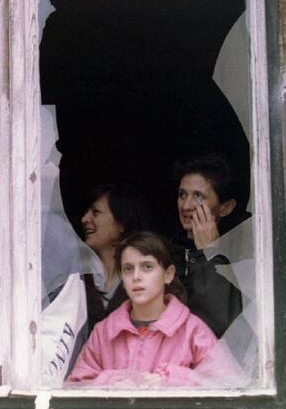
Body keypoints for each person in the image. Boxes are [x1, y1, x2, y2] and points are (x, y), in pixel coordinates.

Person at [67, 231, 243, 387]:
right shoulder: (103, 332)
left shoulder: (193, 331)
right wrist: (111, 382)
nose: (136, 277)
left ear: (168, 274)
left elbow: (228, 386)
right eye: (128, 269)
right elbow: (74, 389)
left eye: (147, 267)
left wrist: (173, 380)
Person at [171, 153, 242, 338]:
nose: (185, 206)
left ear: (226, 207)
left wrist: (209, 253)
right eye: (182, 195)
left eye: (198, 197)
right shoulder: (165, 252)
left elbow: (216, 324)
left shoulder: (242, 255)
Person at [80, 184, 151, 329]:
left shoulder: (145, 278)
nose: (84, 219)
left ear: (121, 223)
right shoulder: (76, 276)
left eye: (95, 212)